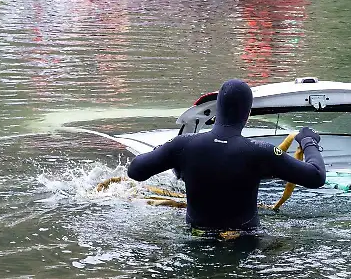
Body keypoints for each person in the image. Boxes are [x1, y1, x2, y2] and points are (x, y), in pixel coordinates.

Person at [127, 79, 327, 233]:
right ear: (247, 113)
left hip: (195, 239)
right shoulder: (260, 152)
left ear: (217, 109)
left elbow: (135, 171)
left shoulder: (184, 145)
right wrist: (308, 141)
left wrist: (167, 151)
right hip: (245, 243)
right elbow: (316, 176)